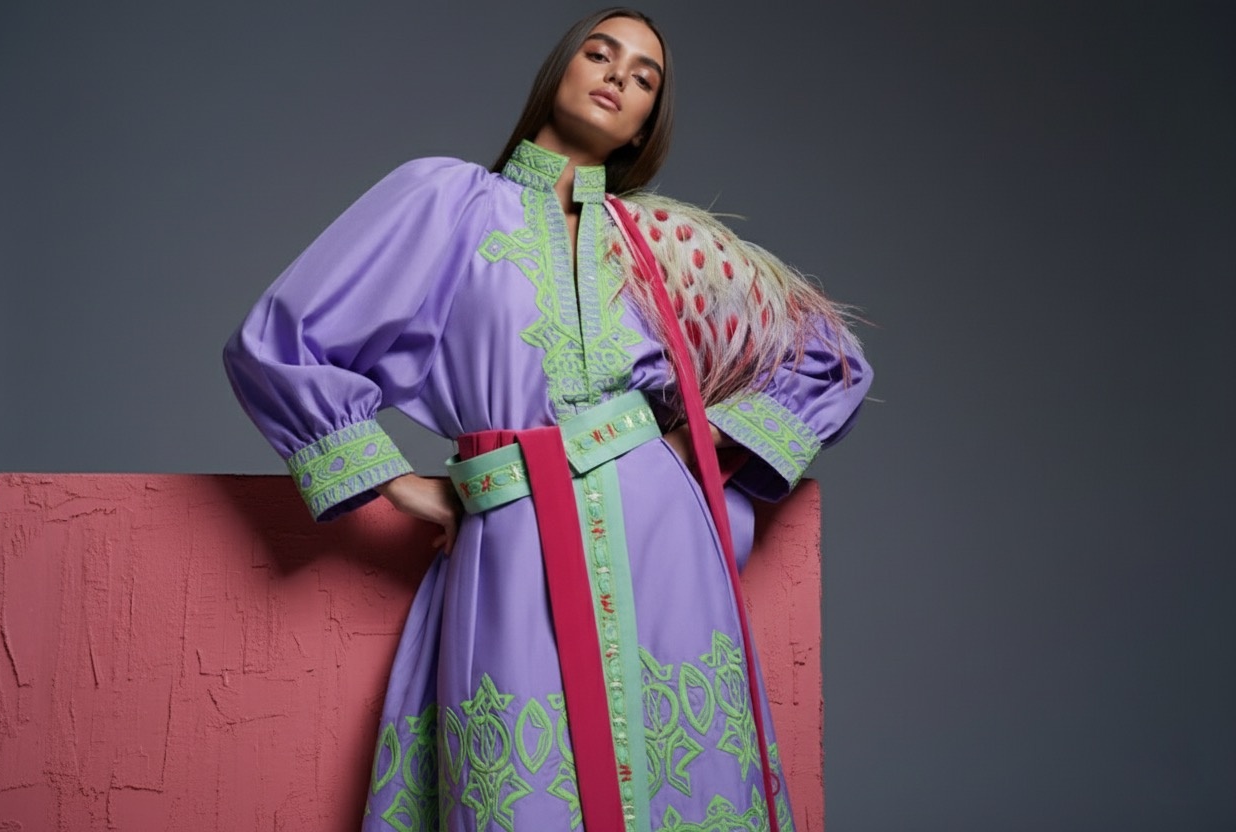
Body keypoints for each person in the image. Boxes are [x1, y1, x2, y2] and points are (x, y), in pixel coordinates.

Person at [223, 7, 872, 831]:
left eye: (644, 77)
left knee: (678, 777)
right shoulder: (447, 201)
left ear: (644, 126)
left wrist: (691, 443)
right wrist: (396, 483)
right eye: (601, 55)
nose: (617, 77)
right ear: (560, 71)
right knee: (520, 789)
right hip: (512, 530)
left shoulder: (663, 245)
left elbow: (830, 358)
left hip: (662, 537)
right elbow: (276, 342)